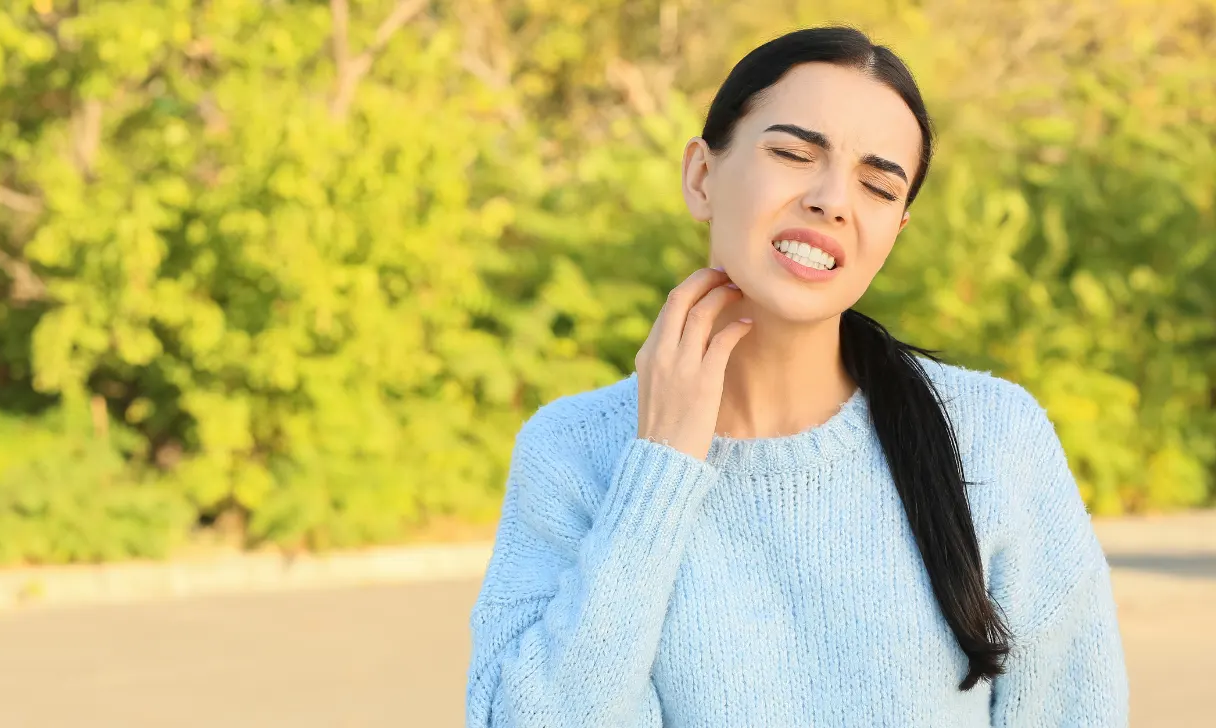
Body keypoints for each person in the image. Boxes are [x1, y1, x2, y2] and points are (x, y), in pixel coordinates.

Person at [464, 26, 1129, 727]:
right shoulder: (571, 453)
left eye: (877, 186)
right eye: (791, 152)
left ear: (895, 231)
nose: (832, 200)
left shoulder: (996, 439)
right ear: (701, 176)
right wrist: (658, 470)